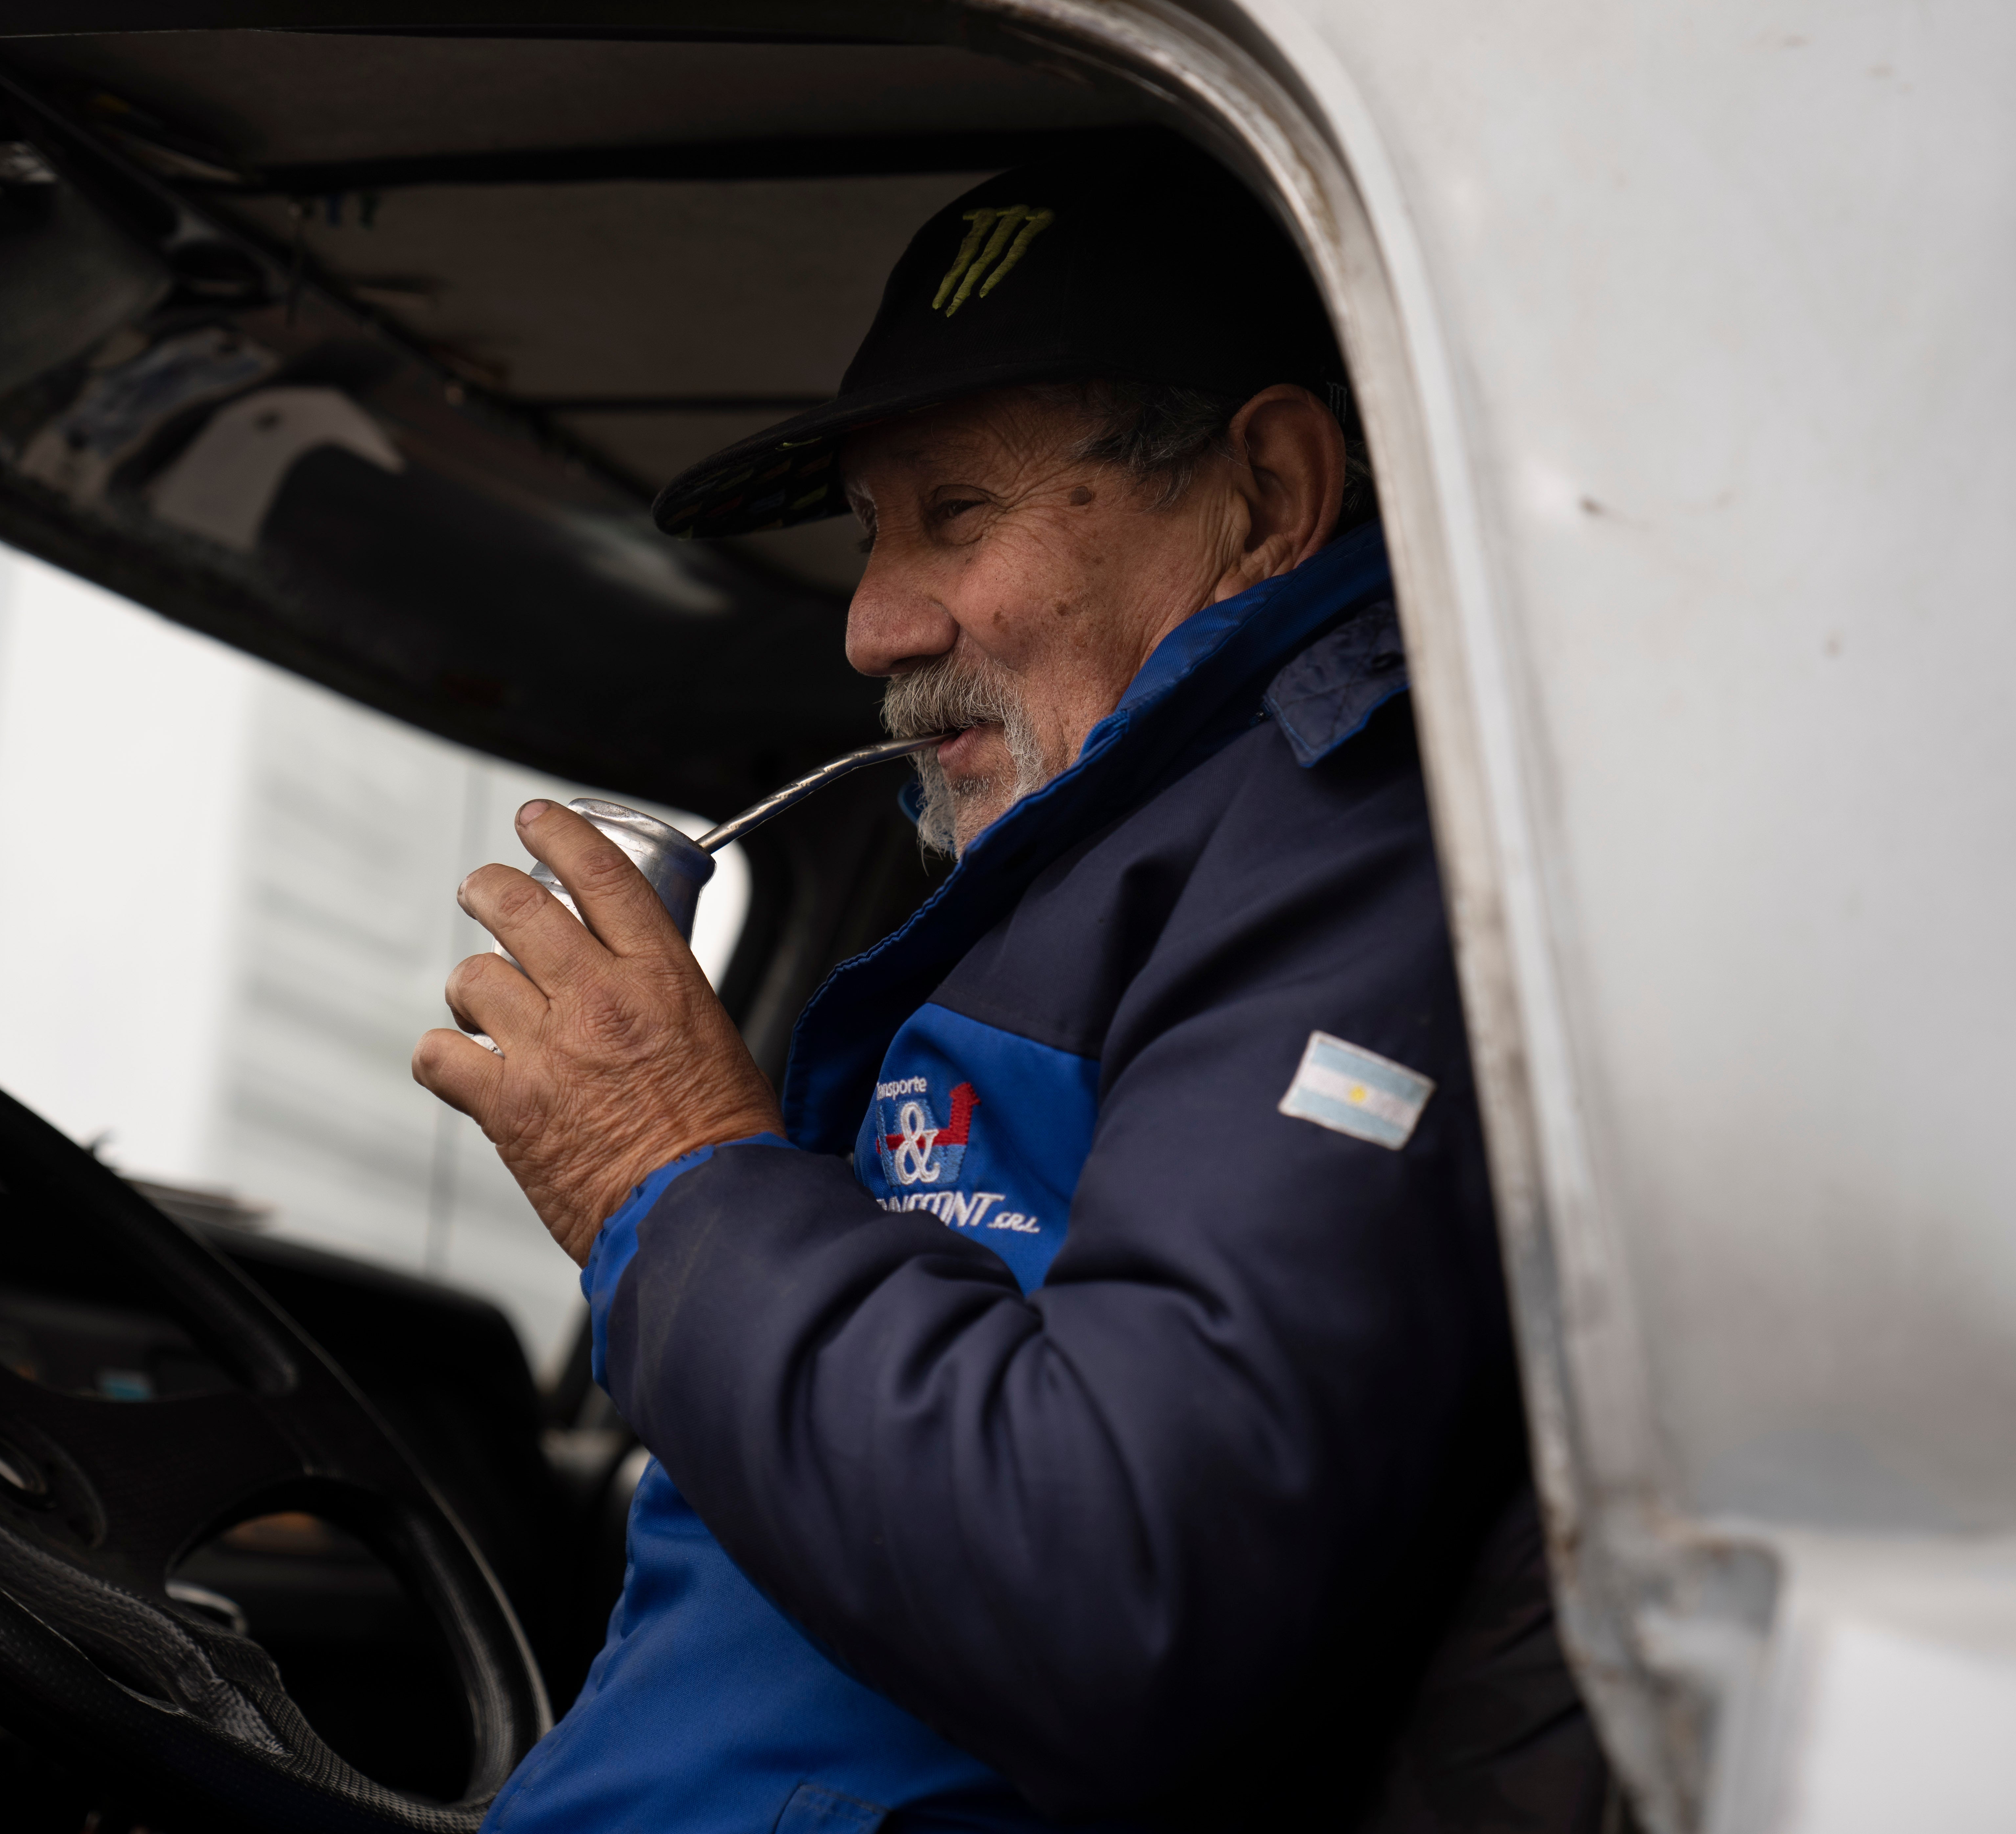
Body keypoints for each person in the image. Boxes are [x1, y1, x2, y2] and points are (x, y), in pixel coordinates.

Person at [414, 141, 1609, 1833]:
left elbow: (1129, 1588)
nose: (873, 623)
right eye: (871, 531)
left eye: (957, 513)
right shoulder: (1128, 864)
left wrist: (665, 1176)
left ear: (1268, 494)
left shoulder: (1356, 859)